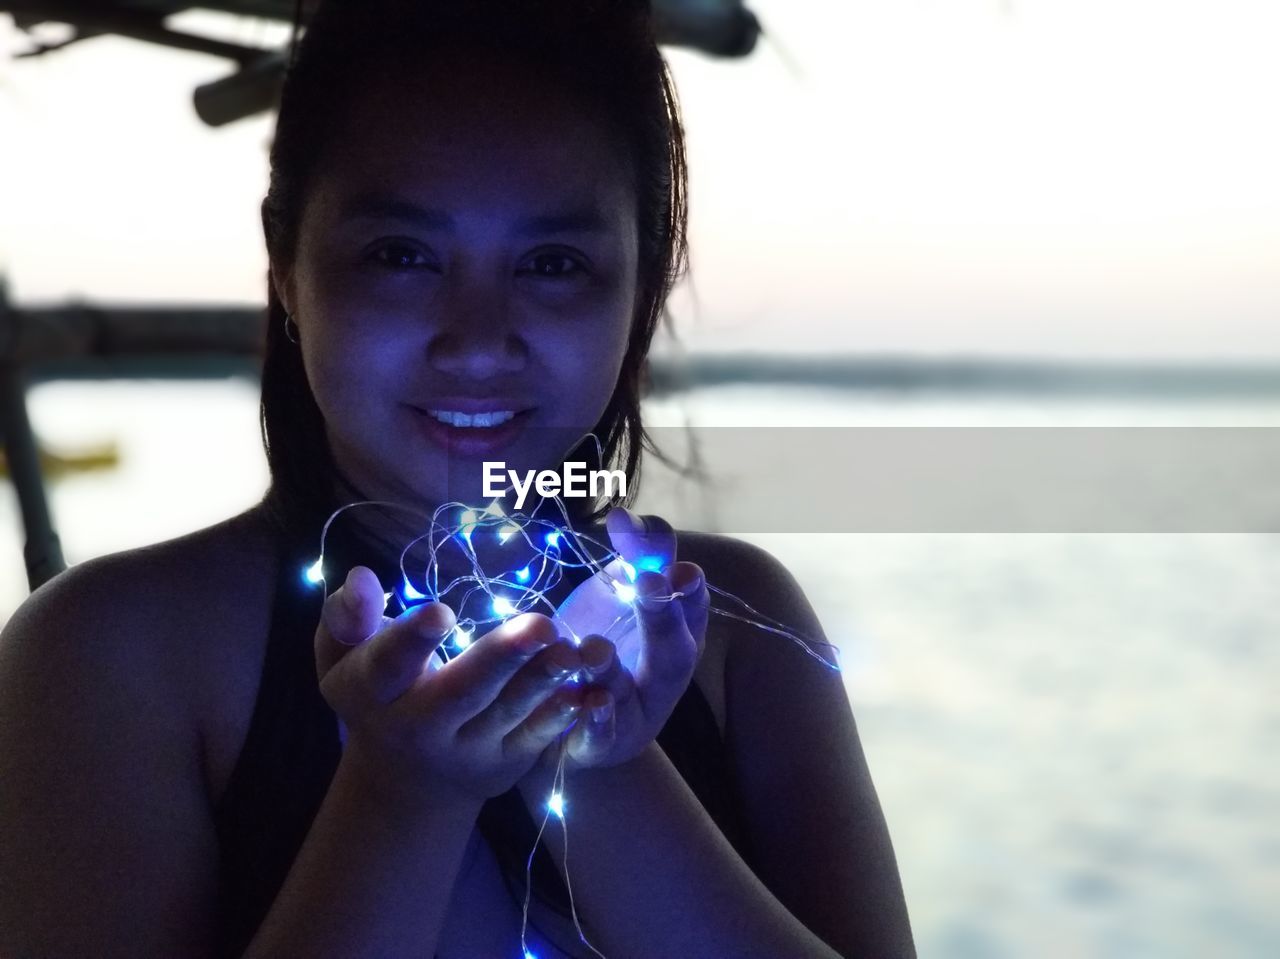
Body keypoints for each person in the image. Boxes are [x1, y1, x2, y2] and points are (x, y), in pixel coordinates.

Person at [0, 1, 915, 956]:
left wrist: (602, 763)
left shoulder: (736, 627)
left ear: (642, 285)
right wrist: (400, 798)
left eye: (552, 263)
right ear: (285, 264)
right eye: (403, 255)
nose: (478, 340)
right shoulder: (112, 653)